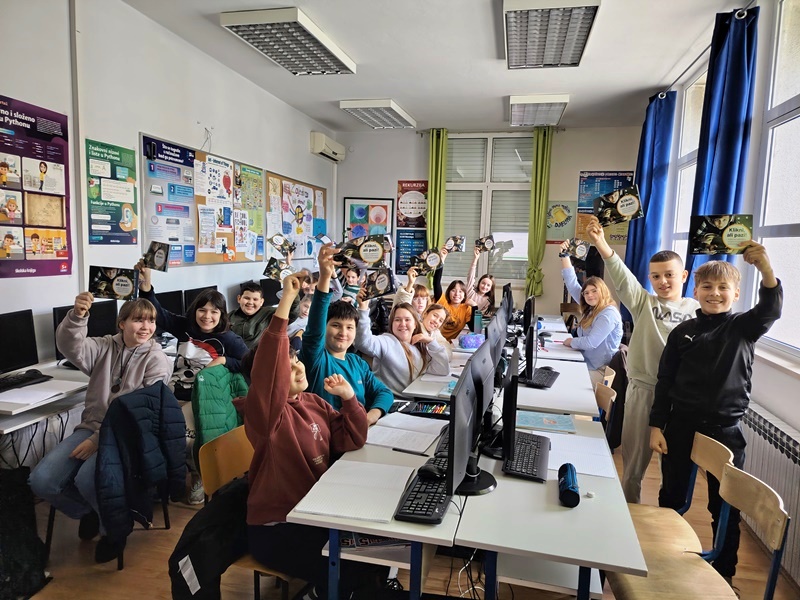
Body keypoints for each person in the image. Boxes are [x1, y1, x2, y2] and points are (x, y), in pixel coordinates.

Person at [243, 273, 392, 600]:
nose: (298, 368)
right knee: (354, 571)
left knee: (380, 558)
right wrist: (286, 300)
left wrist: (350, 399)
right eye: (287, 367)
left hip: (314, 511)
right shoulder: (268, 417)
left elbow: (353, 439)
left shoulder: (313, 402)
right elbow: (269, 364)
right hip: (278, 527)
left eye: (296, 360)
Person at [649, 243, 782, 588]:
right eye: (707, 286)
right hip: (680, 425)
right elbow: (665, 381)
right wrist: (656, 425)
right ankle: (665, 558)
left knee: (724, 506)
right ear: (695, 291)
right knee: (672, 497)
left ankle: (725, 572)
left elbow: (770, 307)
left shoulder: (743, 327)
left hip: (726, 430)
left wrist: (766, 269)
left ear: (736, 294)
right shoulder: (682, 332)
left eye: (723, 287)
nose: (714, 293)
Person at [29, 293, 172, 562]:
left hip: (127, 436)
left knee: (88, 478)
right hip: (92, 427)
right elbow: (70, 345)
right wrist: (78, 316)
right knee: (42, 481)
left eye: (151, 321)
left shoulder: (156, 360)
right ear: (121, 323)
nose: (146, 327)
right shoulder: (105, 346)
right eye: (138, 320)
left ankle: (114, 529)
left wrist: (97, 440)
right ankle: (91, 512)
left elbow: (139, 414)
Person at [586, 216, 700, 504]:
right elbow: (623, 277)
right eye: (656, 276)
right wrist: (600, 243)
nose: (663, 281)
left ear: (683, 276)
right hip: (643, 389)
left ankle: (666, 516)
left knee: (672, 468)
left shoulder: (696, 311)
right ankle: (629, 509)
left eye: (669, 274)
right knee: (633, 462)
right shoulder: (643, 303)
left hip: (678, 398)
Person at [137, 262, 249, 504]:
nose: (207, 316)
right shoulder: (185, 327)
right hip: (173, 390)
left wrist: (224, 360)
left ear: (222, 315)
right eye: (202, 310)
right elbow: (159, 313)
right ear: (194, 311)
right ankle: (162, 478)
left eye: (214, 312)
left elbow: (249, 363)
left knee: (184, 438)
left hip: (204, 397)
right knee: (150, 430)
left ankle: (199, 474)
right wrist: (146, 286)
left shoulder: (229, 339)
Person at [299, 245, 393, 425]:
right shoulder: (316, 358)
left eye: (350, 328)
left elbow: (384, 393)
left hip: (358, 433)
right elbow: (315, 328)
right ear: (325, 328)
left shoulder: (357, 363)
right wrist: (325, 276)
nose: (343, 333)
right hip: (326, 436)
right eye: (336, 325)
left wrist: (368, 418)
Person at [559, 239, 623, 388]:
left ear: (603, 291)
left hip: (599, 371)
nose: (590, 295)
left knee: (562, 381)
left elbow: (591, 343)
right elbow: (572, 283)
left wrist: (571, 342)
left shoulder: (608, 314)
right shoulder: (591, 307)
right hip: (587, 363)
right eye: (586, 293)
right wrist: (564, 256)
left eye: (594, 291)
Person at [355, 298, 450, 397]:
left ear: (415, 324)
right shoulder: (387, 341)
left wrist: (431, 342)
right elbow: (363, 342)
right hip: (391, 402)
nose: (403, 324)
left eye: (407, 320)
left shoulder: (419, 345)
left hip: (413, 399)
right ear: (392, 324)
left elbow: (442, 370)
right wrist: (363, 309)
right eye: (397, 320)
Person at [433, 249, 473, 341]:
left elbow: (473, 328)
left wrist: (475, 307)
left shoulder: (466, 308)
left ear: (464, 295)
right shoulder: (443, 301)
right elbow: (436, 283)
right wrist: (441, 260)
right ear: (448, 292)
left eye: (460, 291)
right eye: (453, 290)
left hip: (449, 345)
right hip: (434, 340)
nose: (456, 294)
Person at [228, 281, 274, 349]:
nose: (250, 302)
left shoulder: (269, 313)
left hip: (258, 355)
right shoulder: (229, 317)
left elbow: (289, 314)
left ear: (261, 302)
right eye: (247, 298)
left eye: (255, 299)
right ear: (239, 299)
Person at [466, 247, 496, 316]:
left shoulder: (488, 300)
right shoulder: (471, 291)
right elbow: (471, 276)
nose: (485, 286)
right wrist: (475, 259)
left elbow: (482, 315)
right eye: (483, 283)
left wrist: (474, 305)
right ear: (479, 283)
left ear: (491, 288)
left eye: (488, 285)